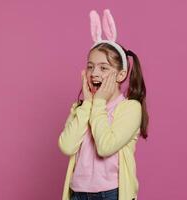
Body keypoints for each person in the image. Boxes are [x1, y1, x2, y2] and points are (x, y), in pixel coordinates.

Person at [58, 9, 149, 200]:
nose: (94, 73)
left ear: (121, 74)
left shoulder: (130, 108)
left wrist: (98, 102)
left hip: (111, 193)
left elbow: (105, 147)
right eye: (90, 66)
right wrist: (88, 105)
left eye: (103, 68)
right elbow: (66, 146)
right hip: (78, 193)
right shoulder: (81, 108)